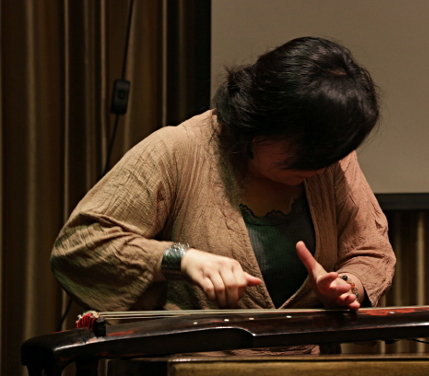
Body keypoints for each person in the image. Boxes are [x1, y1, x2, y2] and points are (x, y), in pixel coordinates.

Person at [51, 37, 396, 353]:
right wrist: (181, 259)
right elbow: (80, 245)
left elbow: (369, 249)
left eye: (330, 156)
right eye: (306, 154)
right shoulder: (178, 150)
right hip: (189, 365)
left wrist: (347, 285)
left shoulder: (331, 159)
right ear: (260, 119)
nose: (321, 168)